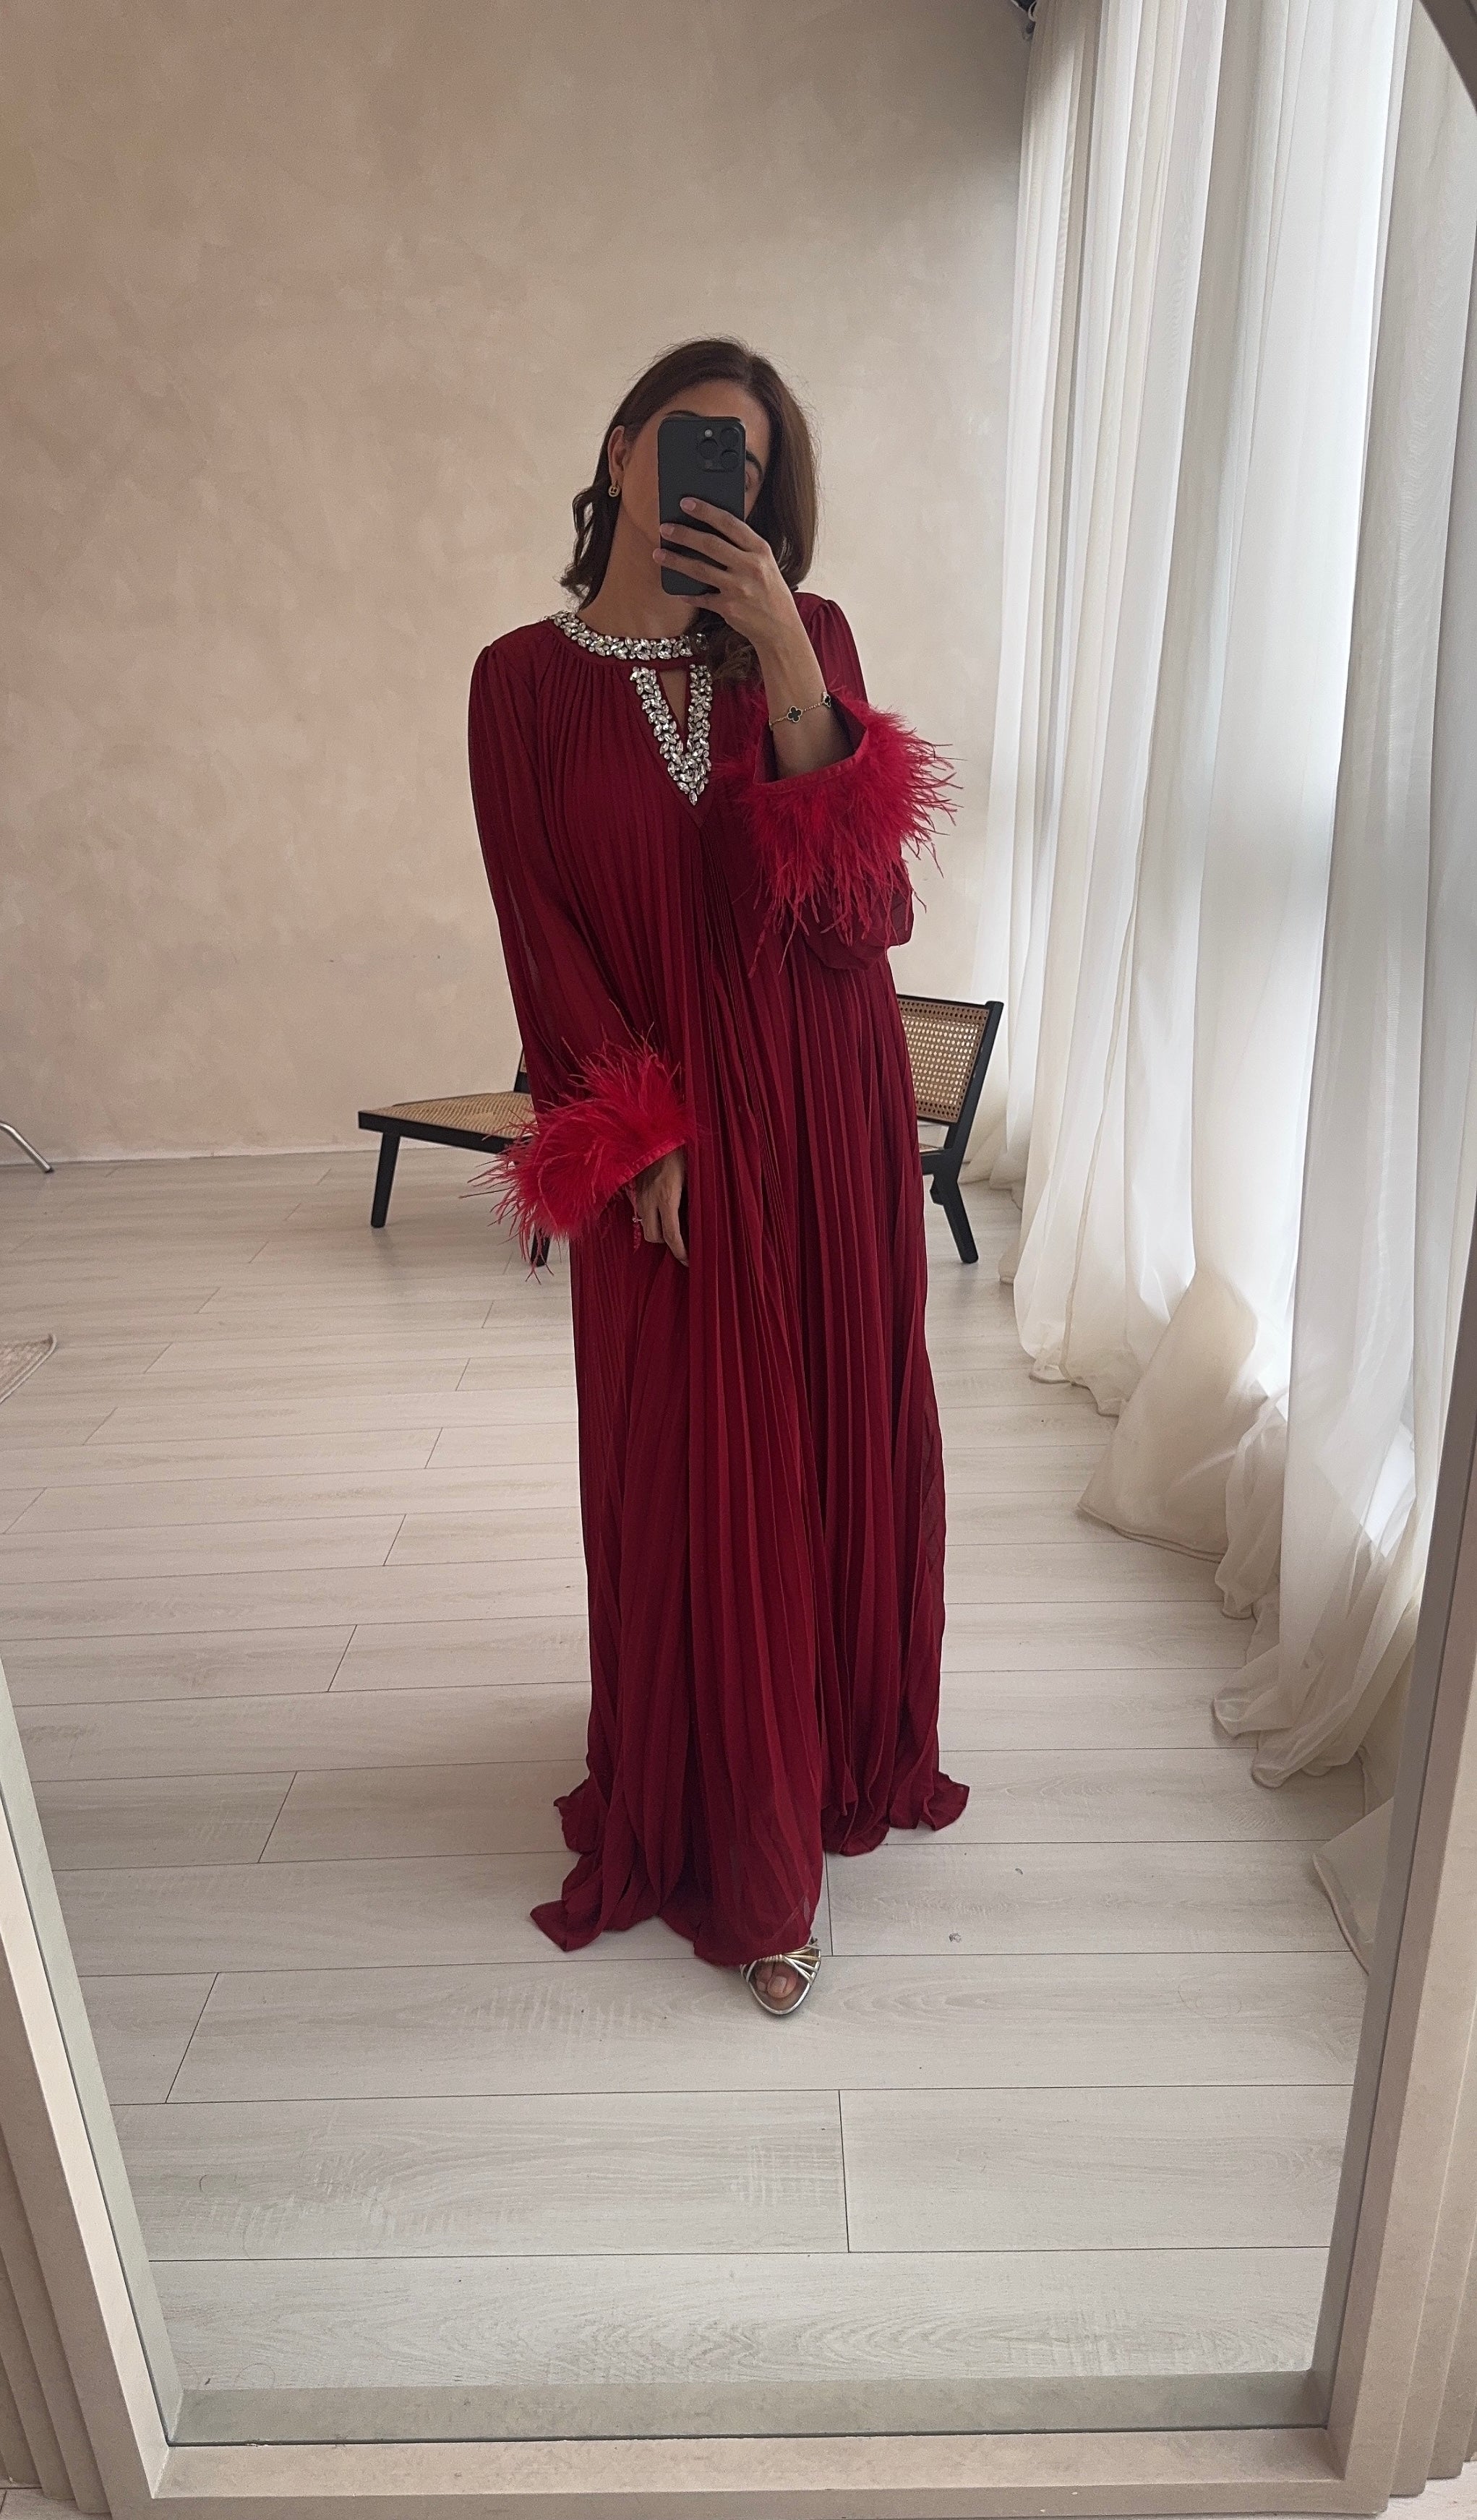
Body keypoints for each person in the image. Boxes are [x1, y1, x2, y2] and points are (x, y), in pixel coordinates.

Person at [467, 336, 967, 2016]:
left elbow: (868, 912)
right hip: (667, 1133)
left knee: (829, 1429)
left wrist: (786, 655)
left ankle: (824, 1759)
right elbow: (539, 927)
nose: (713, 480)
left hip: (826, 1104)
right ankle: (734, 1838)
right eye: (690, 444)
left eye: (744, 465)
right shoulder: (517, 684)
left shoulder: (803, 638)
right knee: (692, 1462)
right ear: (621, 450)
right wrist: (634, 1126)